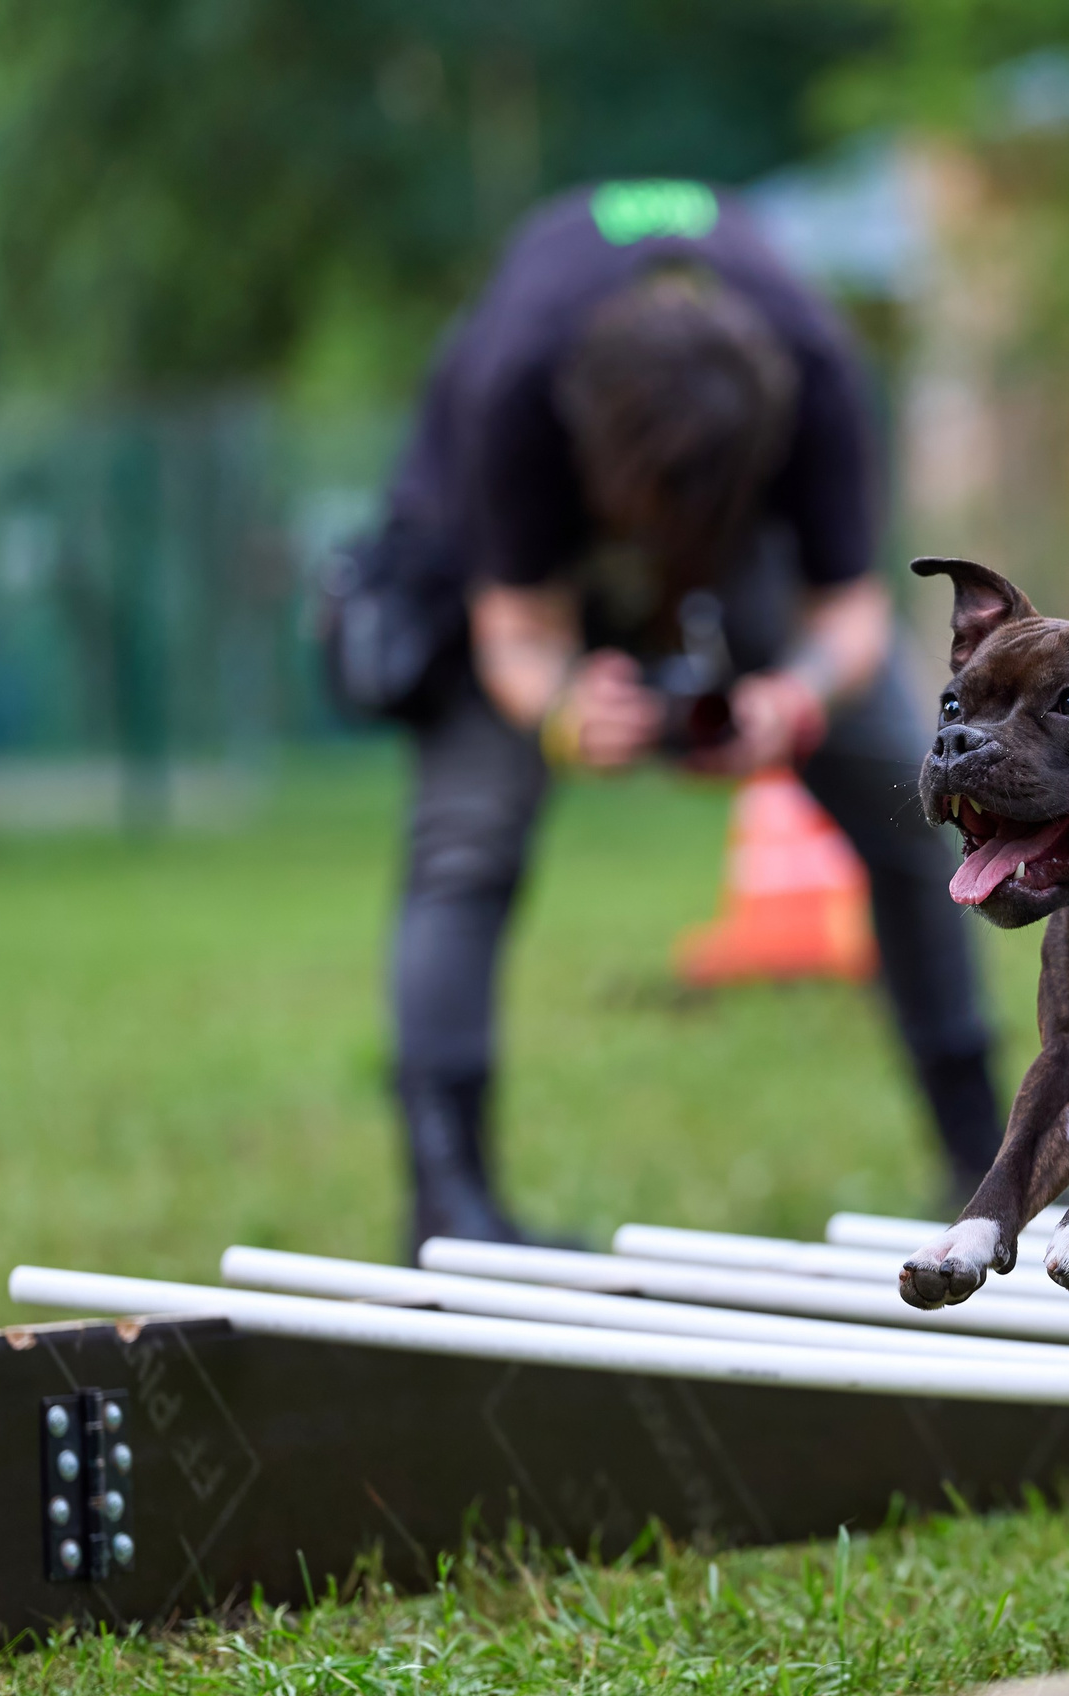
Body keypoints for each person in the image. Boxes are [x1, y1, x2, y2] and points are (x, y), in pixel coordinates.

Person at [363, 178, 999, 1249]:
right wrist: (567, 709)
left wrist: (791, 697)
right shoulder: (513, 386)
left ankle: (987, 1161)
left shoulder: (814, 370)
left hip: (746, 540)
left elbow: (849, 613)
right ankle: (450, 1204)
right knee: (465, 841)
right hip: (506, 551)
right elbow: (515, 630)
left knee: (909, 795)